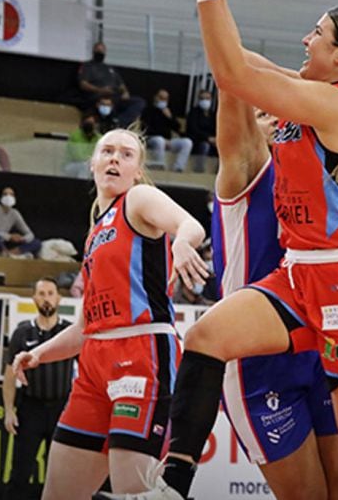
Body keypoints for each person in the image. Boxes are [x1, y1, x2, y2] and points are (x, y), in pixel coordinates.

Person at [103, 0, 338, 500]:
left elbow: (233, 72)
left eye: (317, 33)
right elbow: (241, 63)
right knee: (205, 336)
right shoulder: (317, 96)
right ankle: (172, 486)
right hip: (301, 275)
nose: (305, 40)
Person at [11, 128, 205, 498]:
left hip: (141, 354)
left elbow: (190, 225)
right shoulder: (94, 233)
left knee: (133, 490)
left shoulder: (139, 199)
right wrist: (39, 353)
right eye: (108, 151)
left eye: (126, 154)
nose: (115, 158)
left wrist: (182, 242)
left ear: (137, 170)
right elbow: (85, 328)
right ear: (93, 163)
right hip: (94, 367)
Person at [202, 87, 338, 499]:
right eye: (263, 112)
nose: (275, 116)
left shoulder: (315, 176)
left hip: (318, 347)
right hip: (258, 360)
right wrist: (234, 66)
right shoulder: (246, 168)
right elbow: (232, 83)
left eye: (281, 109)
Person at [3, 277, 75, 500]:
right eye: (42, 294)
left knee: (62, 474)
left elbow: (89, 367)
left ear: (59, 298)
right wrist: (8, 410)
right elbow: (8, 376)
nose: (46, 299)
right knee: (21, 471)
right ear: (34, 298)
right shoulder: (22, 333)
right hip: (30, 408)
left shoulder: (68, 332)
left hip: (62, 410)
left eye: (50, 293)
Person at [74, 42, 144, 126]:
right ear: (93, 51)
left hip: (114, 97)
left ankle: (118, 123)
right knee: (105, 105)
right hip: (97, 97)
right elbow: (83, 84)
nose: (100, 52)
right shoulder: (87, 66)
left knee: (139, 102)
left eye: (102, 50)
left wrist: (125, 92)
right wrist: (100, 90)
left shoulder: (110, 69)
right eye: (98, 50)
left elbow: (121, 85)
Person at [0, 188, 41, 257]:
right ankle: (5, 254)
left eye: (11, 195)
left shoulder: (15, 213)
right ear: (0, 198)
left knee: (36, 242)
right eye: (5, 194)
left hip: (4, 244)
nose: (8, 197)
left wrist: (22, 239)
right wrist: (8, 236)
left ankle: (9, 254)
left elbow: (30, 234)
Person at [141, 89, 193, 172]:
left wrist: (170, 117)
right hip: (152, 139)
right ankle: (160, 165)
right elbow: (146, 128)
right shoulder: (148, 111)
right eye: (161, 98)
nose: (163, 100)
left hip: (168, 141)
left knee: (187, 142)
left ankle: (178, 167)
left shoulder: (168, 111)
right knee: (159, 140)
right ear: (155, 97)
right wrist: (164, 139)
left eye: (165, 99)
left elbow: (178, 127)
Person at [185, 89, 217, 172]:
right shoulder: (194, 112)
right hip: (197, 139)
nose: (205, 101)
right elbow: (193, 129)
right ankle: (199, 167)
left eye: (207, 98)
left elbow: (216, 128)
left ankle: (219, 170)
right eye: (202, 98)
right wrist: (207, 138)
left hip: (212, 140)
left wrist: (215, 139)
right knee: (205, 146)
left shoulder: (213, 114)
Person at [63, 113, 101, 179]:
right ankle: (82, 186)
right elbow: (78, 157)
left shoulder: (100, 138)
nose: (89, 126)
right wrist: (90, 161)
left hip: (92, 165)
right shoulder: (75, 136)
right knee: (84, 166)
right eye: (88, 123)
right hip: (72, 165)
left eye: (92, 124)